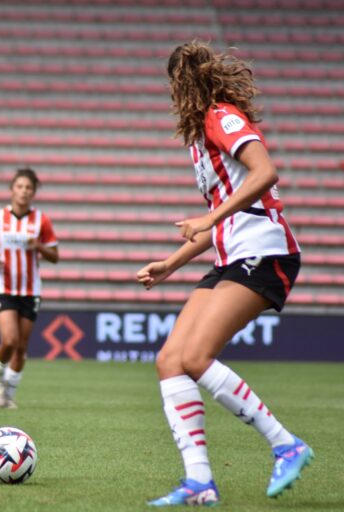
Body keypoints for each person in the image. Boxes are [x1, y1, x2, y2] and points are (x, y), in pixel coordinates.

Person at [138, 41, 312, 506]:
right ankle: (199, 481)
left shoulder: (221, 115)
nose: (174, 95)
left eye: (176, 84)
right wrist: (170, 264)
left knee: (195, 356)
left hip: (264, 251)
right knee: (170, 359)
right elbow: (219, 216)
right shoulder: (200, 142)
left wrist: (210, 221)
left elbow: (265, 172)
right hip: (231, 257)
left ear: (187, 83)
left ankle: (285, 443)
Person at [0, 168, 58, 409]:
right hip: (4, 287)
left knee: (22, 347)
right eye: (20, 186)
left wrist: (39, 247)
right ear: (12, 189)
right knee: (10, 340)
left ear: (34, 192)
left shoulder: (41, 220)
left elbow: (55, 256)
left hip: (31, 289)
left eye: (28, 188)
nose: (23, 191)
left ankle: (8, 394)